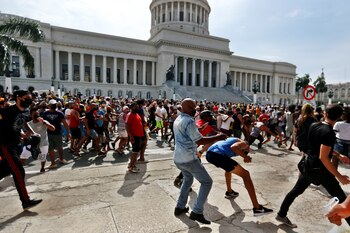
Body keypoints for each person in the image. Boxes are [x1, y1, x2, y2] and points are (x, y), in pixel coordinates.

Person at [276, 104, 350, 228]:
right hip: (320, 171)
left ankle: (281, 214)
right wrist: (339, 176)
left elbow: (318, 147)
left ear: (325, 114)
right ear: (339, 118)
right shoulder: (329, 133)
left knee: (296, 191)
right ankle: (281, 214)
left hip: (308, 165)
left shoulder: (314, 125)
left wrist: (338, 155)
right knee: (343, 201)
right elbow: (323, 157)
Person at [173, 98, 227, 224]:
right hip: (188, 159)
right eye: (192, 108)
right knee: (207, 182)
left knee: (188, 179)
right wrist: (219, 136)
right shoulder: (189, 121)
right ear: (185, 107)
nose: (195, 110)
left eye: (195, 107)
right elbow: (200, 141)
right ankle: (197, 211)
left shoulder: (178, 119)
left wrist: (201, 130)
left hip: (178, 158)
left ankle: (180, 207)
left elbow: (190, 136)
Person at [206, 137, 273, 215]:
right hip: (217, 155)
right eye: (246, 151)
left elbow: (228, 168)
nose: (245, 152)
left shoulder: (229, 142)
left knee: (229, 168)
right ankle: (257, 208)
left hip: (210, 155)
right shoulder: (244, 144)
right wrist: (246, 157)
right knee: (246, 174)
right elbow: (234, 147)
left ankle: (229, 192)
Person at [0, 90, 42, 210]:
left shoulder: (27, 110)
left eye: (30, 97)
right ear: (18, 98)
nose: (30, 99)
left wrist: (29, 133)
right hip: (6, 145)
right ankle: (26, 201)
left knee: (4, 170)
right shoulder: (7, 111)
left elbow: (22, 123)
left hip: (17, 144)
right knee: (18, 171)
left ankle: (25, 200)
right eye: (27, 97)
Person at [20, 108, 55, 173]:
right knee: (23, 155)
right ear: (31, 115)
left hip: (43, 143)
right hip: (32, 144)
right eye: (34, 115)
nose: (36, 116)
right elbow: (27, 134)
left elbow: (53, 128)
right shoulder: (29, 124)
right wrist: (24, 137)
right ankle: (18, 169)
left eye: (37, 114)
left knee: (43, 157)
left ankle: (42, 168)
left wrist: (44, 123)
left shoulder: (44, 121)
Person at [42, 99, 70, 169]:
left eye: (54, 105)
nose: (54, 106)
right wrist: (68, 133)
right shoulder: (58, 113)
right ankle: (57, 161)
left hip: (54, 133)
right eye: (53, 105)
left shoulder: (46, 113)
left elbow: (65, 124)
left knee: (55, 148)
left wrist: (68, 133)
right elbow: (65, 124)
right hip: (51, 133)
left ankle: (56, 161)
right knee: (55, 148)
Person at [125, 102, 145, 173]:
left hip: (139, 135)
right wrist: (131, 136)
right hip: (135, 136)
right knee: (135, 151)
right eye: (135, 107)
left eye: (137, 106)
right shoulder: (129, 115)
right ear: (131, 107)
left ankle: (132, 164)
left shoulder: (137, 114)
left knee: (136, 151)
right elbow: (127, 126)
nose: (137, 108)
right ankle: (131, 166)